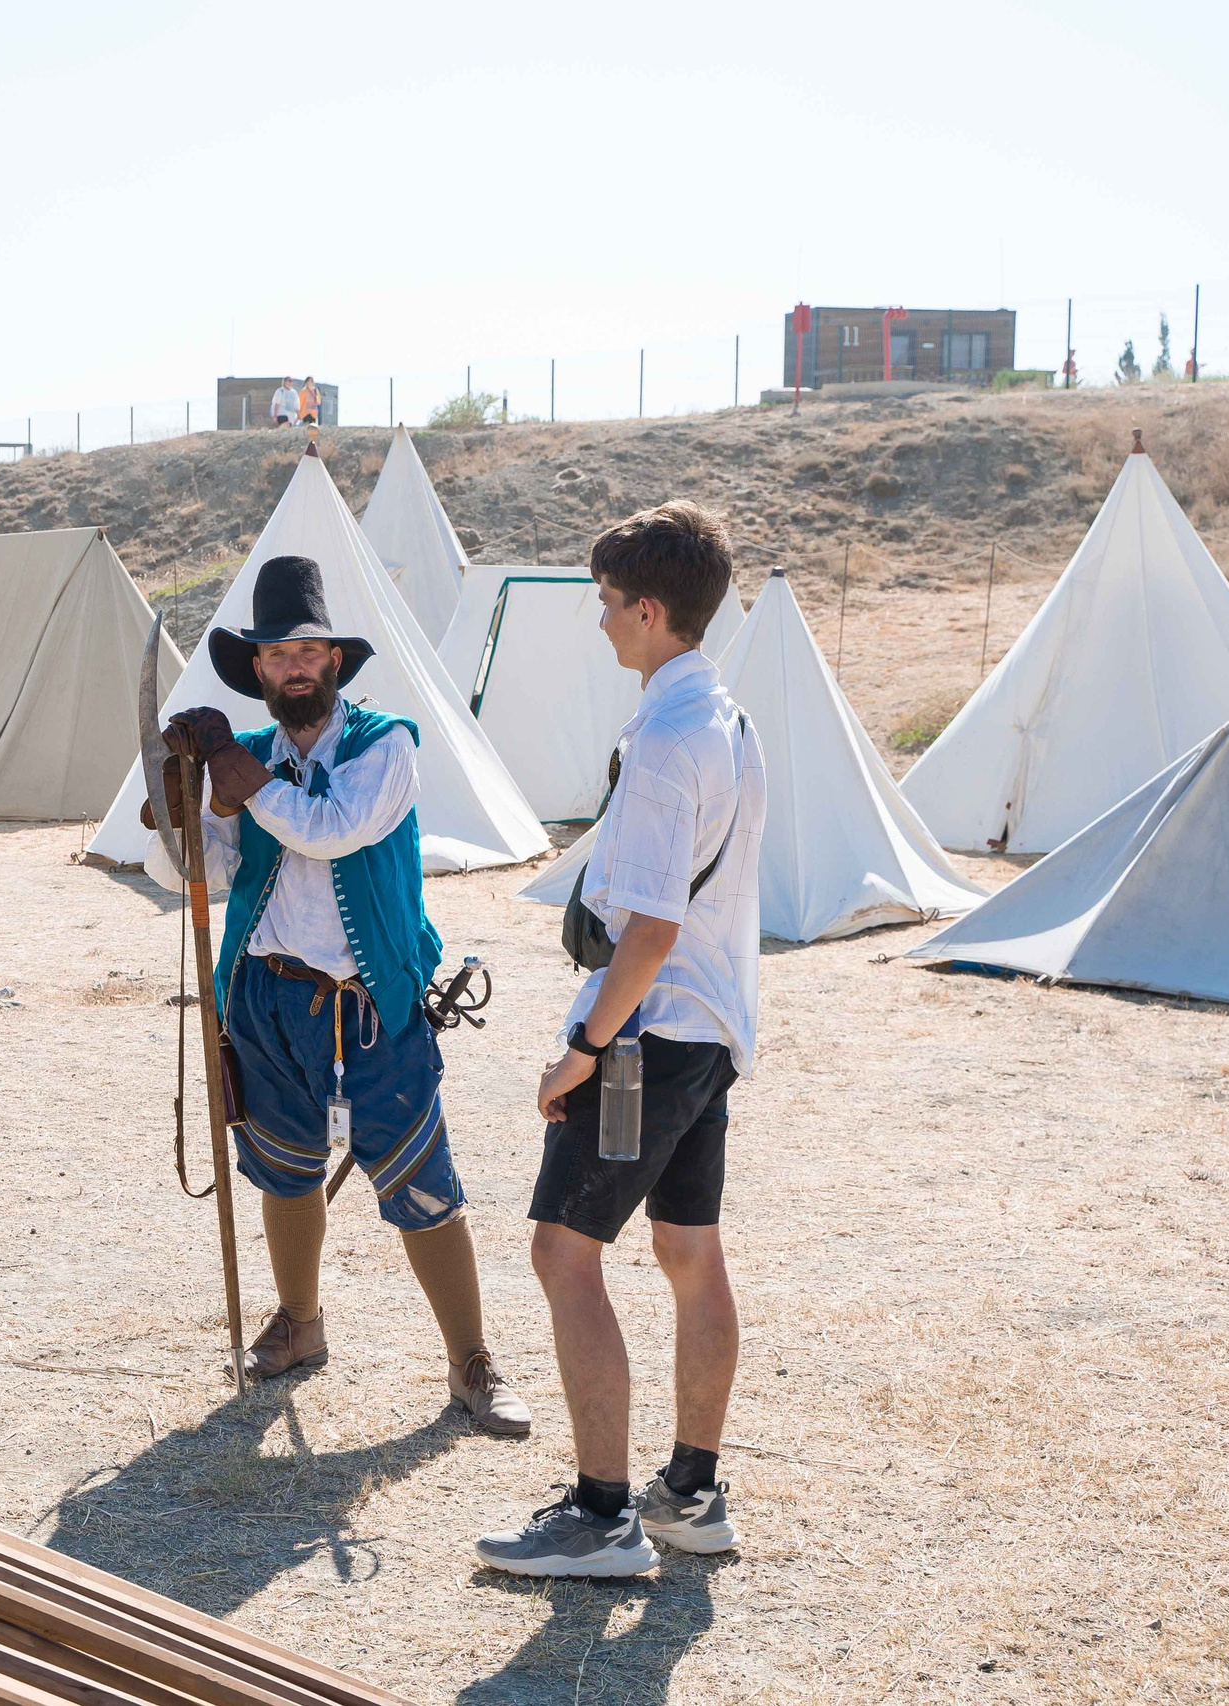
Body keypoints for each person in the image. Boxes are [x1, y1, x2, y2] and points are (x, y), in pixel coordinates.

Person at [146, 547, 532, 1437]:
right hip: (268, 995)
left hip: (373, 999)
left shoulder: (385, 744)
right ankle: (300, 1324)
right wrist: (185, 802)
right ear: (257, 669)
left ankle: (472, 1362)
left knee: (421, 1180)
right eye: (277, 653)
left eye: (308, 651)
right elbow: (196, 874)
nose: (294, 666)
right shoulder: (240, 758)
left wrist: (237, 779)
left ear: (334, 661)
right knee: (286, 1169)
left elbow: (332, 830)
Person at [473, 501, 766, 1578]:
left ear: (648, 611)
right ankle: (690, 1494)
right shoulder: (729, 721)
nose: (599, 621)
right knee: (688, 1250)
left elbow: (649, 929)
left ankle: (602, 1514)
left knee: (563, 1250)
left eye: (605, 603)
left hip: (647, 1034)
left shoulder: (665, 740)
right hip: (709, 1027)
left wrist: (583, 1049)